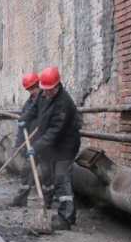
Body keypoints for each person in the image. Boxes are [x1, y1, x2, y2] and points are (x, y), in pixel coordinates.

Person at [24, 67, 81, 231]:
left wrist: (36, 147)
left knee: (62, 180)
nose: (46, 93)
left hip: (65, 146)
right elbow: (35, 107)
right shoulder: (44, 93)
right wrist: (25, 118)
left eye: (50, 90)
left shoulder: (64, 103)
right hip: (52, 146)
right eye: (45, 89)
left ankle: (66, 219)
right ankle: (66, 213)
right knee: (56, 179)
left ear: (57, 86)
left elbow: (55, 131)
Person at [12, 72, 41, 207]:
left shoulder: (47, 100)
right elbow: (21, 127)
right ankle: (20, 200)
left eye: (33, 88)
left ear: (39, 84)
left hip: (47, 144)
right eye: (29, 89)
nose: (32, 91)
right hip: (32, 143)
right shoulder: (28, 104)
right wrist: (18, 145)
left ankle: (47, 202)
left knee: (49, 174)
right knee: (26, 170)